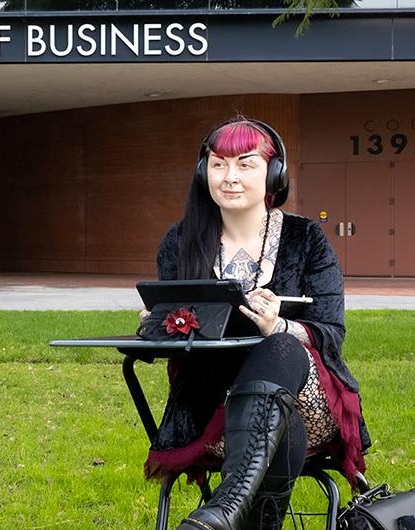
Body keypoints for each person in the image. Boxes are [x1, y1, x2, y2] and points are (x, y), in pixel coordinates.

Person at [139, 117, 369, 530]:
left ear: (273, 174)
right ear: (202, 171)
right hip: (214, 409)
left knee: (279, 349)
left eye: (245, 164)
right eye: (218, 164)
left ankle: (225, 506)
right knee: (283, 432)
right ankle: (232, 514)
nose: (229, 177)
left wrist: (278, 326)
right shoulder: (180, 242)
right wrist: (158, 326)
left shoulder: (306, 239)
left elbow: (331, 332)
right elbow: (170, 348)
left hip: (307, 396)